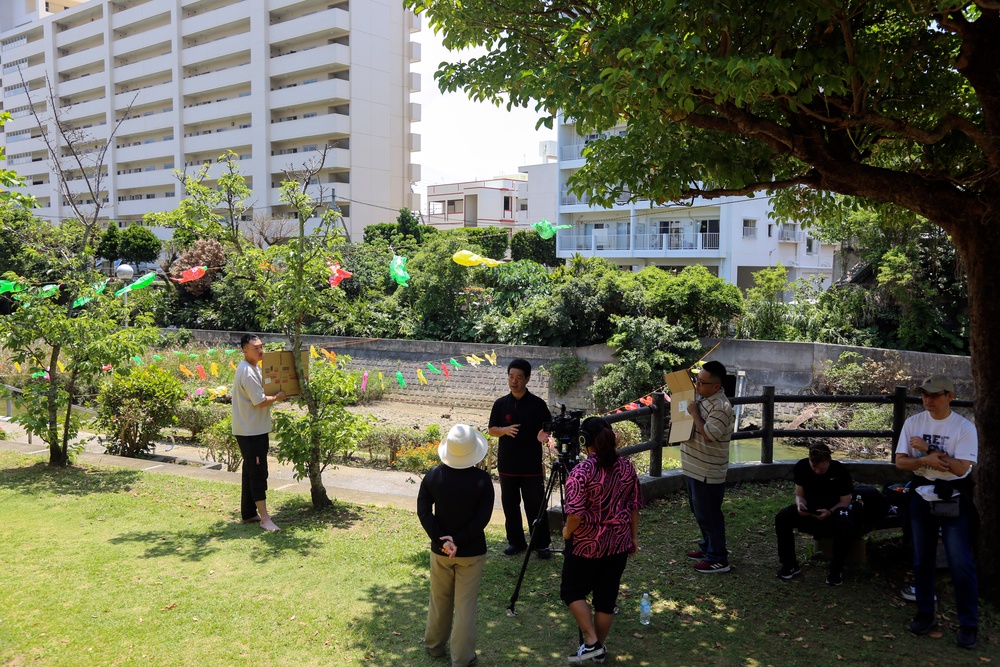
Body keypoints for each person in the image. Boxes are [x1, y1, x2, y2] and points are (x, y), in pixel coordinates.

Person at [895, 374, 979, 649]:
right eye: (924, 394)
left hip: (953, 497)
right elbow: (901, 463)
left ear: (949, 397)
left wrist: (930, 451)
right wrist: (927, 462)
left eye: (934, 394)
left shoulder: (964, 428)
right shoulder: (913, 423)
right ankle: (925, 613)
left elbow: (959, 469)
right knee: (922, 559)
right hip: (921, 495)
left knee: (960, 562)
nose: (928, 400)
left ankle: (969, 624)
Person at [561, 417, 642, 664]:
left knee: (572, 591)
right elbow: (634, 507)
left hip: (586, 544)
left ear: (584, 440)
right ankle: (599, 650)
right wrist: (633, 537)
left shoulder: (581, 472)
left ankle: (591, 642)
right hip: (618, 542)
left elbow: (575, 514)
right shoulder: (627, 467)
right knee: (606, 599)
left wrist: (566, 532)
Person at [417, 424, 495, 667]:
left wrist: (442, 539)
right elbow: (483, 518)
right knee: (465, 606)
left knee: (439, 600)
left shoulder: (433, 476)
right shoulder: (483, 480)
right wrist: (457, 541)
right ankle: (462, 658)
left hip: (440, 551)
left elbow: (423, 510)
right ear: (474, 451)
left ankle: (434, 646)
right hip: (471, 552)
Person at [488, 358, 553, 558]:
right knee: (510, 505)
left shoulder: (537, 404)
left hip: (531, 465)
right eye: (511, 377)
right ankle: (515, 542)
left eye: (518, 377)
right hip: (507, 465)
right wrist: (505, 430)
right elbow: (492, 430)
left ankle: (541, 544)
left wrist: (544, 435)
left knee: (535, 505)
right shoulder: (500, 404)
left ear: (527, 379)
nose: (513, 381)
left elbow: (548, 427)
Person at [774, 443, 856, 585]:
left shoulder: (840, 471)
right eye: (814, 468)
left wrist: (830, 512)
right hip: (810, 509)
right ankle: (790, 564)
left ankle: (836, 570)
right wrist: (800, 504)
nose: (818, 471)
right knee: (782, 517)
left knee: (846, 525)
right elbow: (800, 495)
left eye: (822, 469)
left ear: (829, 462)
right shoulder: (801, 467)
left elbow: (845, 501)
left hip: (833, 510)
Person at [681, 360, 735, 573]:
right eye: (697, 380)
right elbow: (695, 428)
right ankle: (708, 547)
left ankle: (718, 558)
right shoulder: (703, 400)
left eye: (702, 383)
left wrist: (693, 414)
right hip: (695, 467)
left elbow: (710, 435)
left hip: (708, 471)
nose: (697, 385)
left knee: (710, 515)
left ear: (716, 386)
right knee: (700, 512)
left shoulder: (721, 407)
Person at [231, 334, 285, 532]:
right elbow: (260, 401)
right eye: (256, 348)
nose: (261, 351)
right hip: (251, 431)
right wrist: (278, 397)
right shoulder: (247, 371)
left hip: (253, 428)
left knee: (250, 471)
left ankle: (248, 513)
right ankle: (265, 518)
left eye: (262, 347)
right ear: (245, 350)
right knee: (258, 473)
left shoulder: (254, 367)